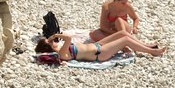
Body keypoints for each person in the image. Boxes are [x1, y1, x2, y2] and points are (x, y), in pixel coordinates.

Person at [36, 30, 166, 61]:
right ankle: (151, 52)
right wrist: (55, 35)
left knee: (122, 33)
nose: (53, 41)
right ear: (49, 46)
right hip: (100, 53)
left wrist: (54, 39)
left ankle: (146, 45)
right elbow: (68, 38)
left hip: (97, 45)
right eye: (50, 41)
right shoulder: (61, 53)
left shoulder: (60, 50)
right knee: (125, 39)